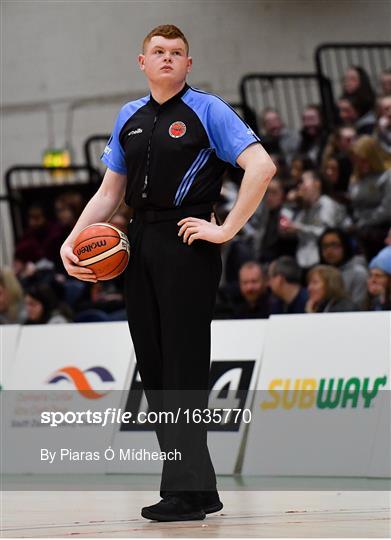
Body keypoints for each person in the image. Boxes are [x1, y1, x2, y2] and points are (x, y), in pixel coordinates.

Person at [60, 24, 276, 522]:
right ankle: (199, 489)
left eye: (176, 53)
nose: (167, 58)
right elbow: (110, 193)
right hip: (138, 244)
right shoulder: (128, 116)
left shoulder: (208, 109)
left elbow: (260, 167)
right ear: (142, 62)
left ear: (188, 64)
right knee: (155, 370)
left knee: (183, 366)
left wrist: (224, 232)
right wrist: (73, 239)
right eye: (157, 52)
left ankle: (182, 491)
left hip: (187, 242)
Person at [279, 169, 349, 269]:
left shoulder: (326, 204)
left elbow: (328, 234)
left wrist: (299, 229)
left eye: (303, 182)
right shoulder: (304, 210)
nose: (300, 187)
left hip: (323, 261)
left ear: (317, 184)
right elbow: (283, 228)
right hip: (303, 261)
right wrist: (289, 204)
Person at [349, 136, 391, 260]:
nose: (360, 165)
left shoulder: (387, 176)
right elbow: (354, 204)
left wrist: (364, 223)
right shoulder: (355, 178)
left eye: (363, 160)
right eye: (356, 161)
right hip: (361, 224)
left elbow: (387, 209)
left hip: (382, 225)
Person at [318, 228, 368, 308]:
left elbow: (359, 308)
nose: (329, 251)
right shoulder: (320, 274)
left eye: (334, 245)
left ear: (345, 246)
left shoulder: (359, 274)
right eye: (325, 246)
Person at [362, 246, 391, 311]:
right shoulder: (368, 299)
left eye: (378, 276)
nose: (373, 280)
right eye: (370, 275)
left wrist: (383, 299)